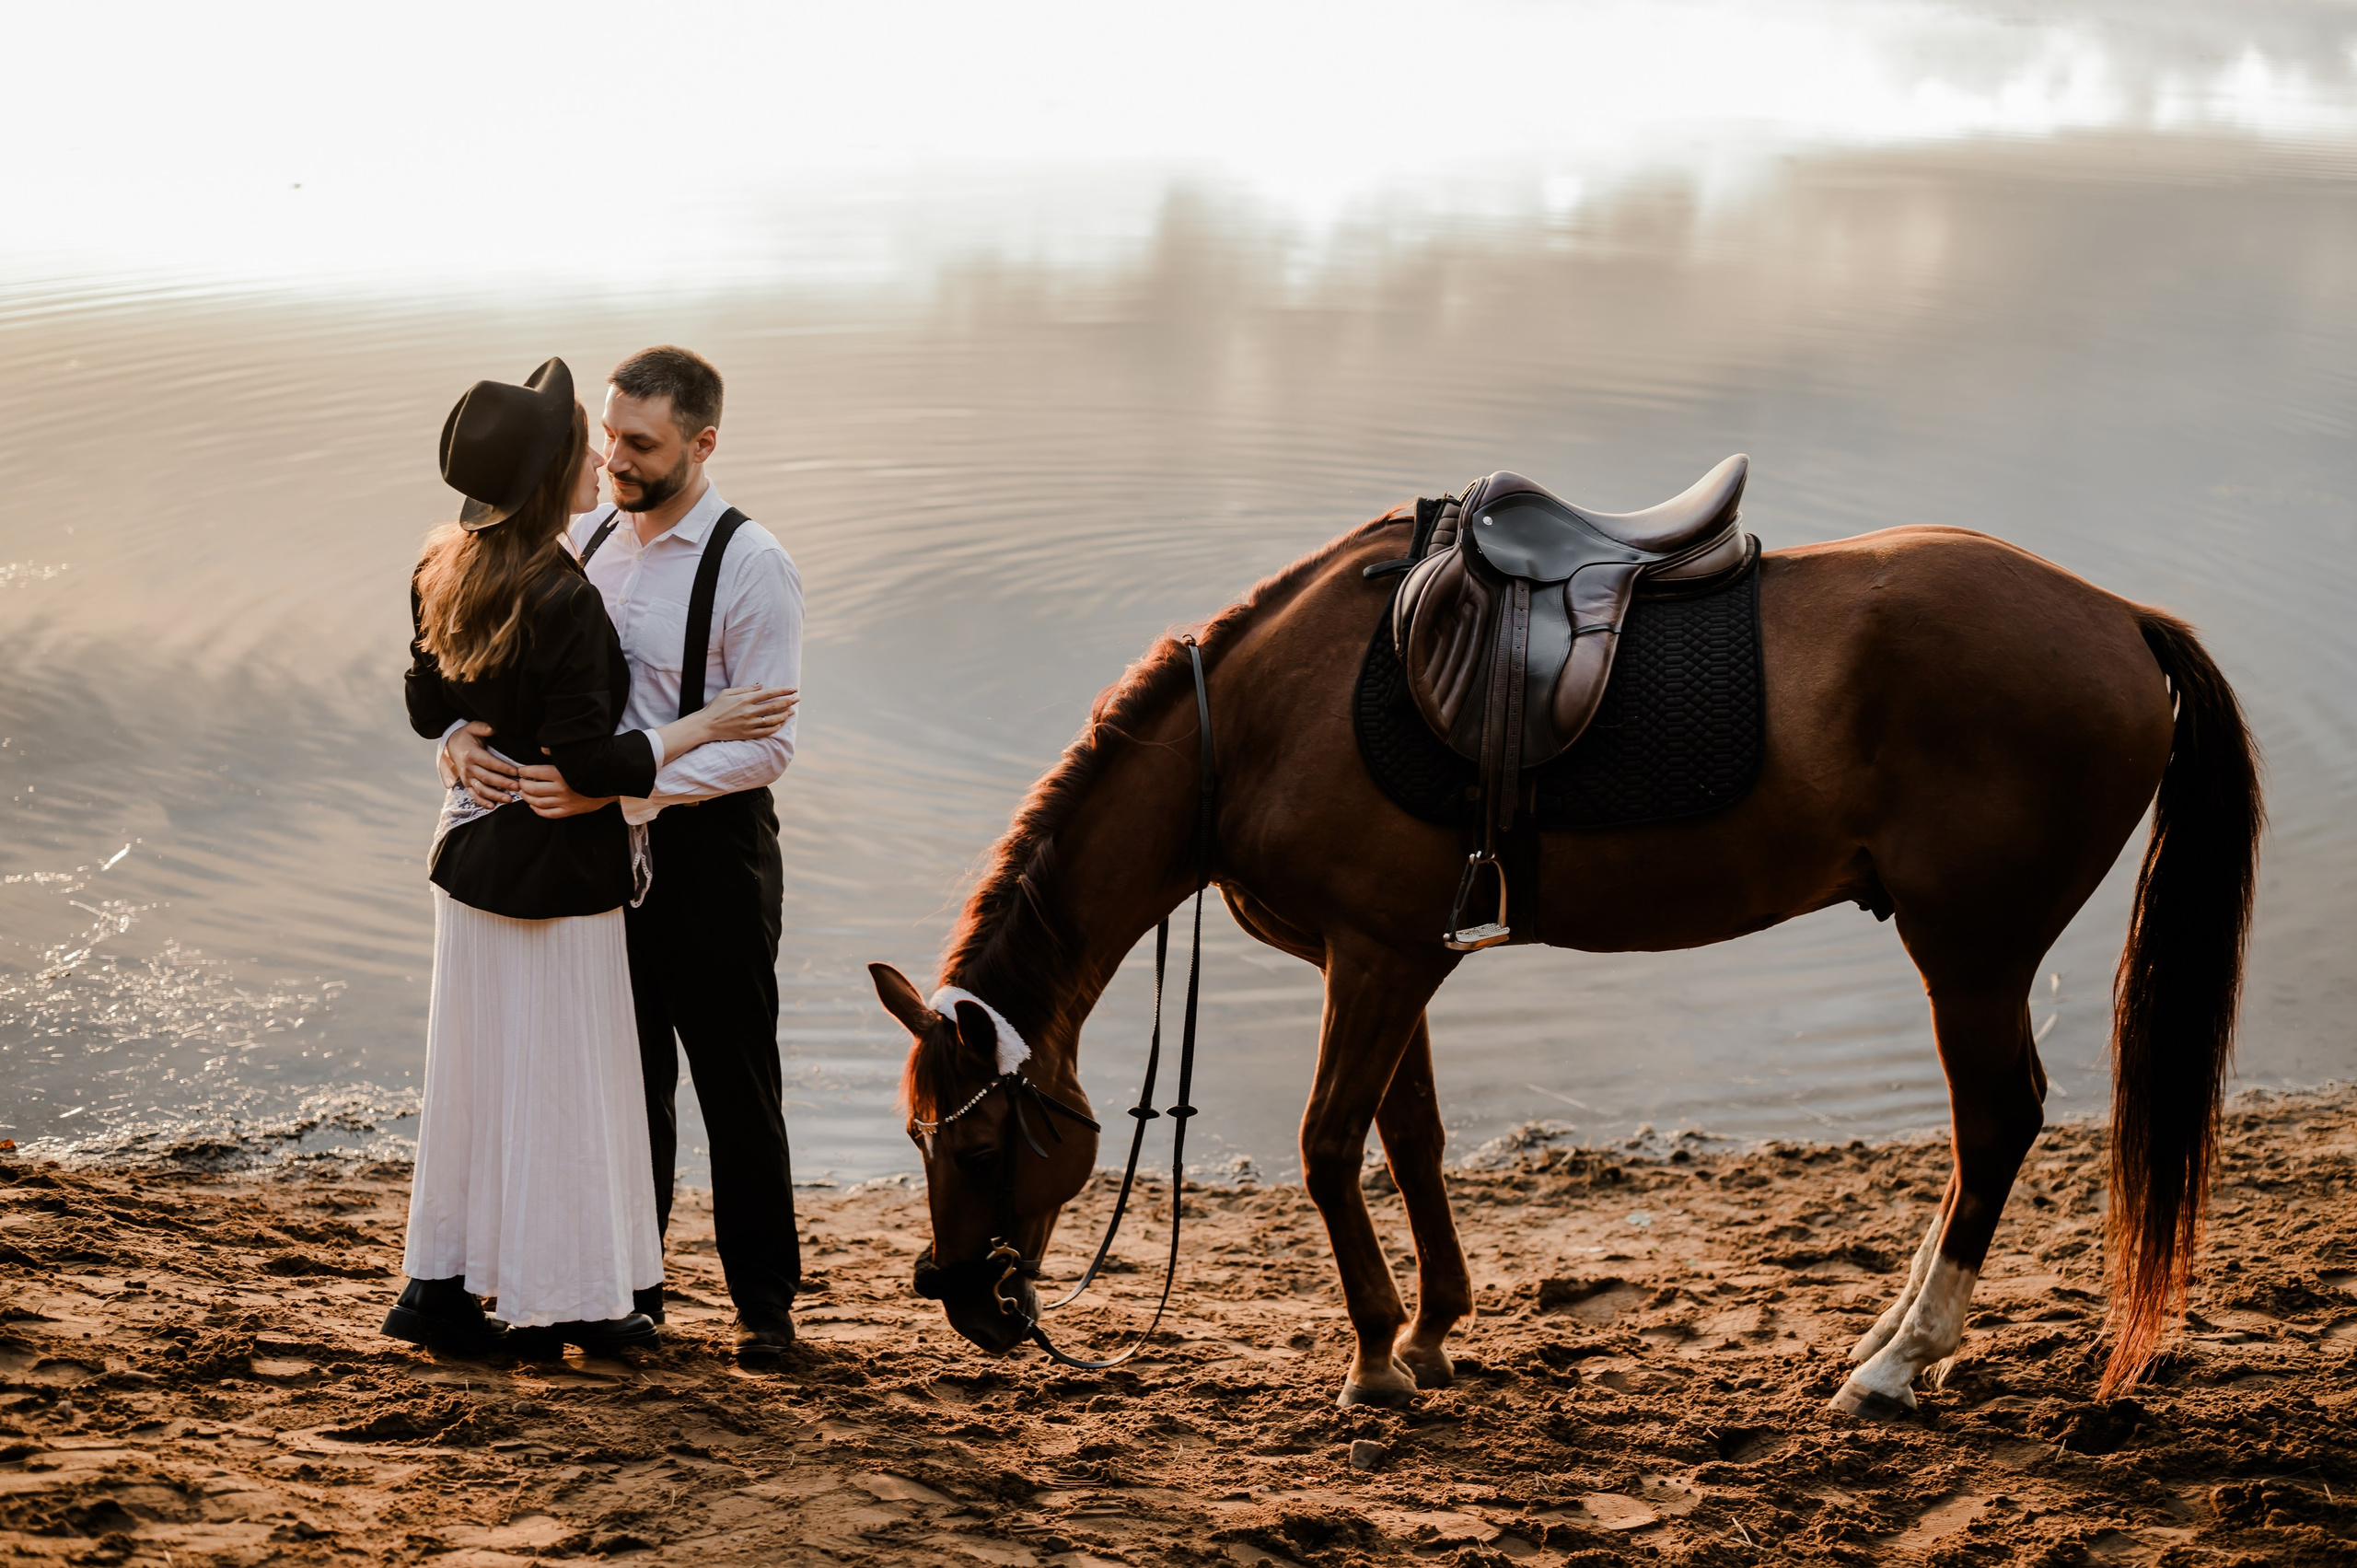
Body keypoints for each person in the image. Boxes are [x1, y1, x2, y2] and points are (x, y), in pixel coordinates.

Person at [392, 357, 795, 1359]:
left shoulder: (753, 565)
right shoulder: (584, 538)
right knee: (623, 1080)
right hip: (583, 856)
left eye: (640, 444)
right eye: (607, 437)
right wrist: (460, 743)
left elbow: (772, 742)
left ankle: (765, 1303)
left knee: (735, 1080)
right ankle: (623, 1283)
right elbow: (489, 665)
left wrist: (626, 783)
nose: (614, 458)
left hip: (705, 849)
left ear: (702, 444)